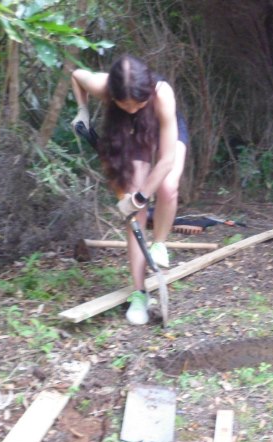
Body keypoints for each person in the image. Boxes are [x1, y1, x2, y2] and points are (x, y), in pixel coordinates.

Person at [70, 54, 188, 325]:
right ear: (113, 95)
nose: (133, 108)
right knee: (136, 214)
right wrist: (82, 109)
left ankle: (159, 244)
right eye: (125, 104)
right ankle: (139, 293)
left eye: (138, 103)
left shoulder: (161, 95)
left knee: (168, 187)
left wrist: (140, 197)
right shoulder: (103, 86)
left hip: (164, 125)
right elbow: (76, 75)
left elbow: (166, 160)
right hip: (132, 133)